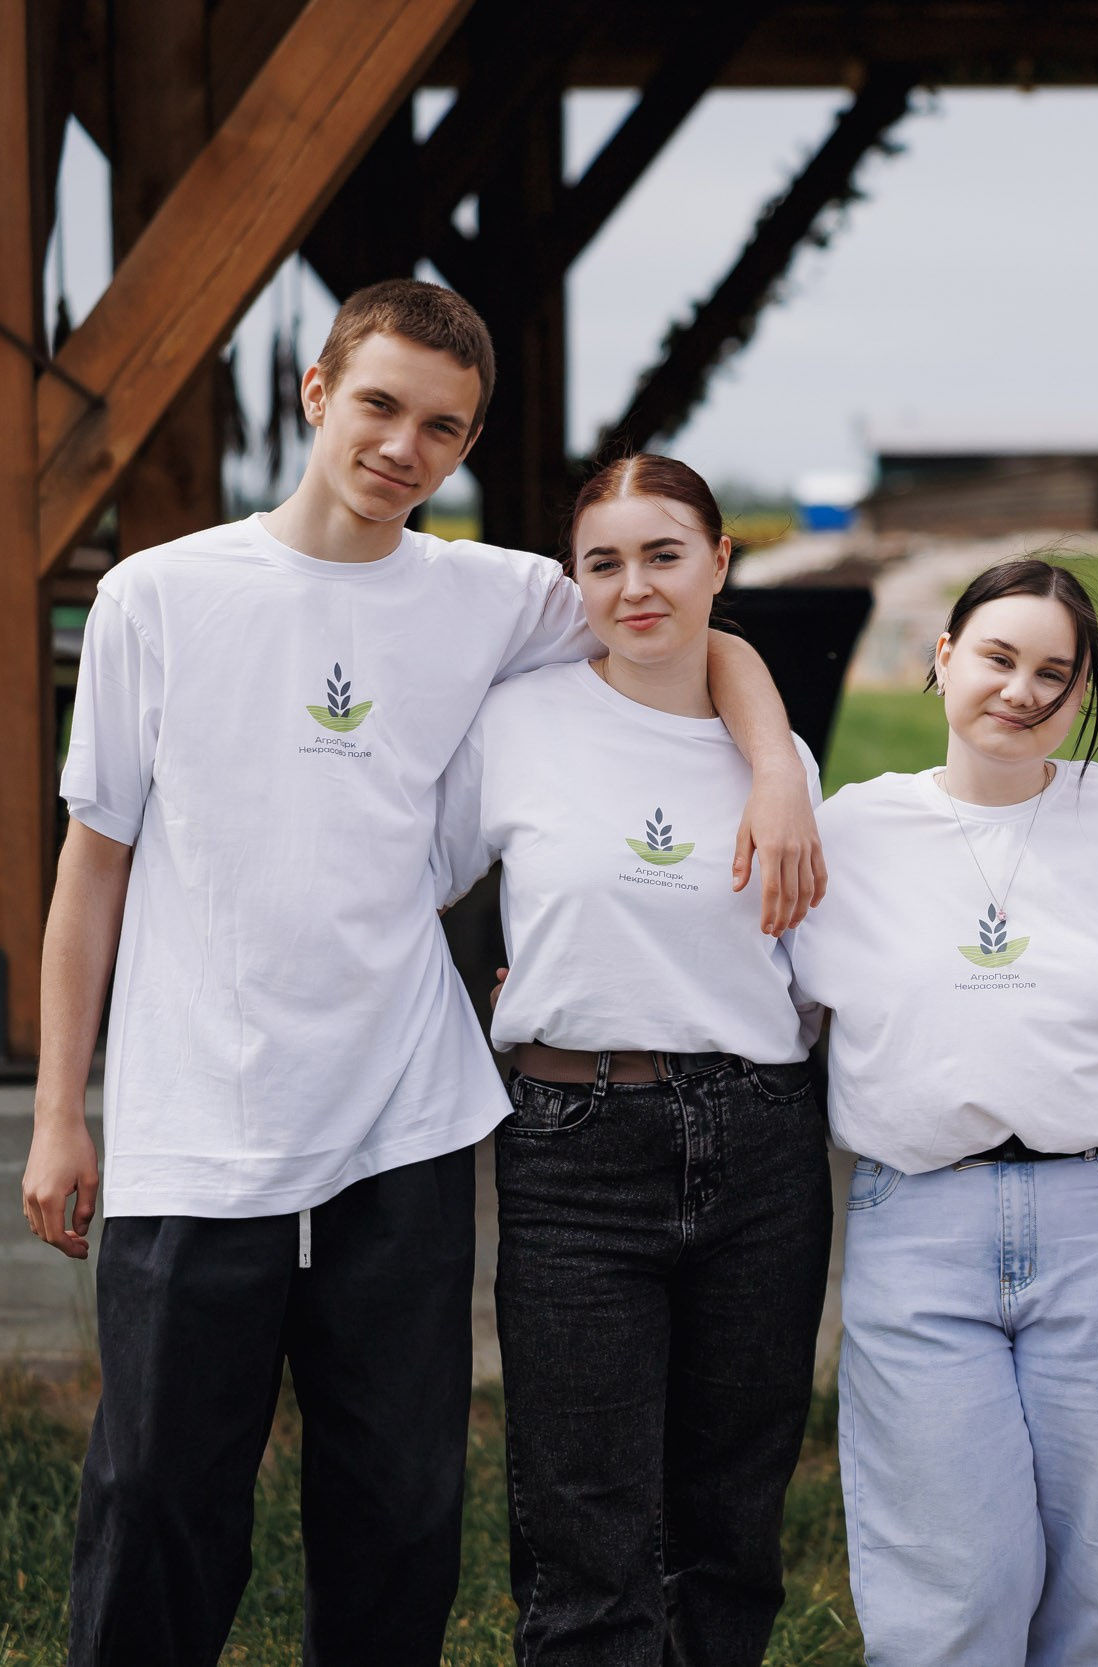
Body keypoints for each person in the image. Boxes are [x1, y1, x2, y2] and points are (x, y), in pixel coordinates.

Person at [18, 280, 824, 1667]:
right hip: (197, 1124)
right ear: (318, 391)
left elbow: (691, 621)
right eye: (381, 404)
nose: (404, 444)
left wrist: (772, 769)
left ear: (464, 446)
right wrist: (56, 1110)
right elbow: (91, 868)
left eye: (441, 426)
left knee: (400, 1506)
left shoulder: (493, 593)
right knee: (158, 1496)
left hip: (404, 1120)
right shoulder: (156, 595)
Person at [431, 454, 831, 1666]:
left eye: (664, 554)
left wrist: (770, 762)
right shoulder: (515, 721)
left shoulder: (787, 764)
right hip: (574, 1145)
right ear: (575, 580)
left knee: (730, 1516)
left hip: (760, 1139)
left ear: (720, 563)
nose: (634, 585)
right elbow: (407, 892)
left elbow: (819, 970)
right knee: (582, 1521)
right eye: (603, 561)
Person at [788, 557, 1098, 1667]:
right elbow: (774, 1006)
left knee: (1081, 1588)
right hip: (920, 1220)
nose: (1022, 690)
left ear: (1081, 695)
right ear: (944, 657)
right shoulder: (853, 831)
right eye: (998, 658)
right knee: (951, 1589)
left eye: (1055, 674)